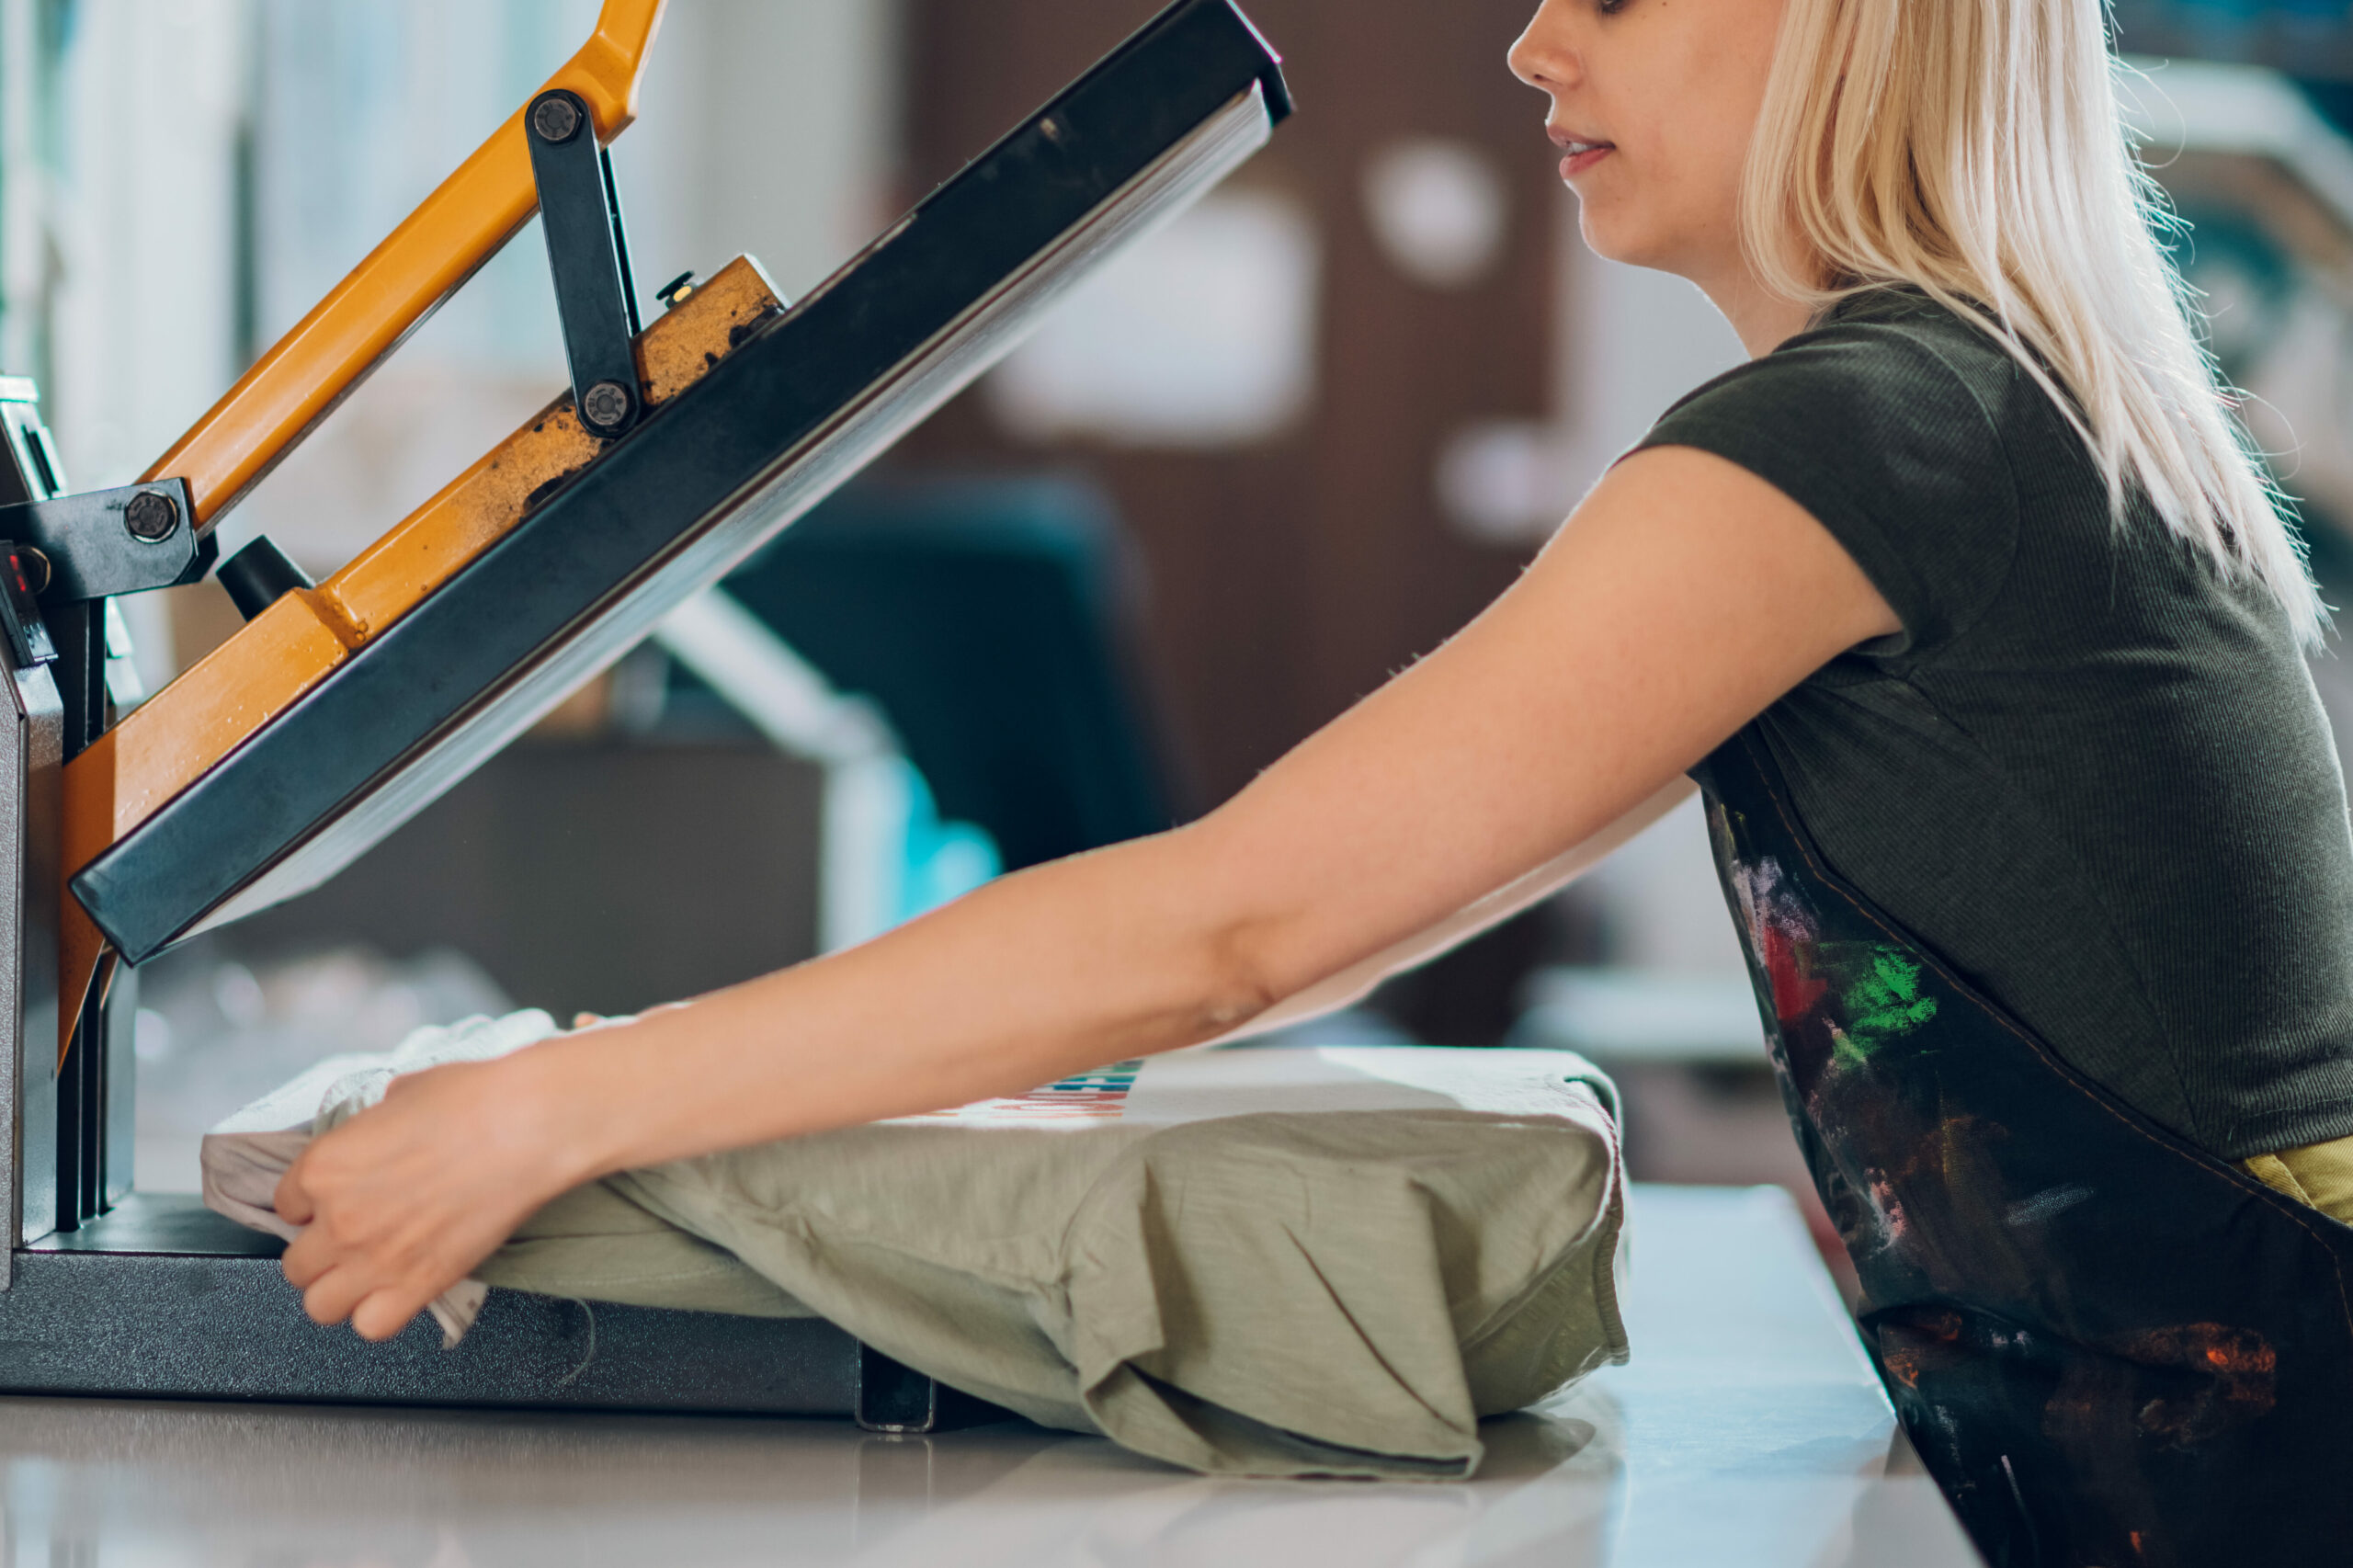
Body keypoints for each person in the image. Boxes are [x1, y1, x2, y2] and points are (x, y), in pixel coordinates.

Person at [280, 0, 2353, 1552]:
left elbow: (1228, 924)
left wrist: (548, 1106)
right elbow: (1324, 925)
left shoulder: (1869, 436)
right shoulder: (1989, 400)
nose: (1534, 43)